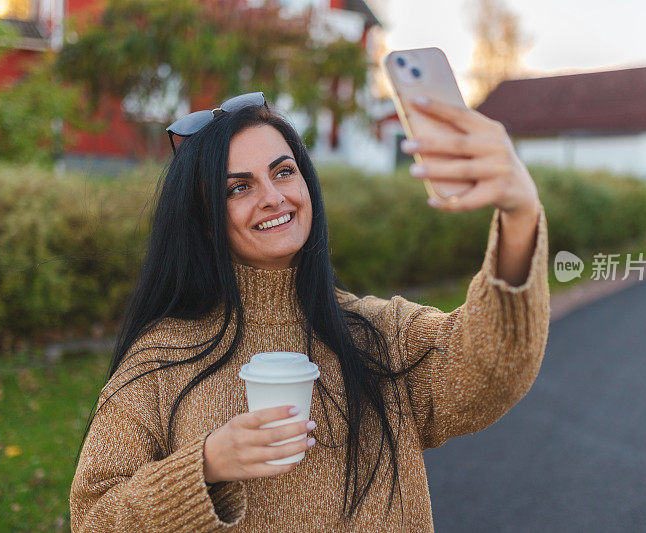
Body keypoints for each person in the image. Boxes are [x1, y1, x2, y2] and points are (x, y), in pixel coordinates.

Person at [69, 92, 550, 532]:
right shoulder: (161, 357)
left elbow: (493, 365)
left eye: (283, 171)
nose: (274, 197)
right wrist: (206, 465)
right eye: (238, 187)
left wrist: (520, 214)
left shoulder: (382, 334)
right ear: (206, 223)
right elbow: (94, 517)